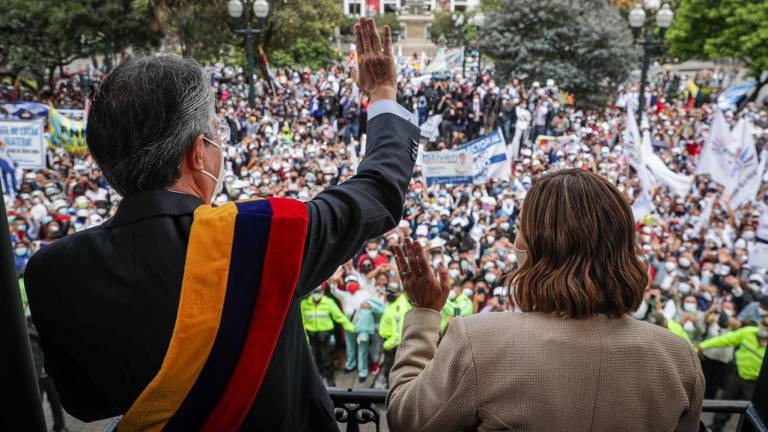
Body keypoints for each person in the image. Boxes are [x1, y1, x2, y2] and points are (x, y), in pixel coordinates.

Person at [24, 18, 420, 431]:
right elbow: (377, 191)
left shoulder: (54, 271)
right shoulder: (261, 235)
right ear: (198, 154)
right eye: (217, 134)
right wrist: (382, 93)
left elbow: (86, 404)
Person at [387, 169, 703, 432]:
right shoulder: (679, 359)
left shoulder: (479, 341)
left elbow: (407, 420)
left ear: (535, 246)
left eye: (520, 228)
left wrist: (424, 314)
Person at [697, 318, 767, 432]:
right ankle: (716, 426)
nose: (765, 328)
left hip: (755, 384)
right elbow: (725, 339)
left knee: (755, 413)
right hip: (737, 375)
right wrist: (702, 345)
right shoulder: (748, 332)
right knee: (726, 402)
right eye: (764, 324)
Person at [301, 288, 357, 387]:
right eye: (314, 292)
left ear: (322, 292)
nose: (316, 294)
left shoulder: (328, 302)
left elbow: (339, 316)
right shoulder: (304, 304)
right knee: (315, 359)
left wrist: (352, 328)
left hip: (326, 335)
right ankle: (318, 380)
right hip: (312, 337)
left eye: (318, 292)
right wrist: (306, 338)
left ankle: (330, 381)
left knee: (327, 360)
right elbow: (302, 323)